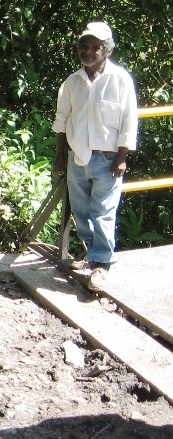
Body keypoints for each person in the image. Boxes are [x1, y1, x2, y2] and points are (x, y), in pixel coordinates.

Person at [53, 21, 139, 293]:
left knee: (103, 212)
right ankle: (90, 254)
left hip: (108, 159)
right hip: (77, 156)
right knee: (81, 211)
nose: (87, 52)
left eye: (94, 47)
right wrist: (59, 156)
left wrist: (122, 156)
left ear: (107, 50)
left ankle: (102, 264)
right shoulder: (72, 82)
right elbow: (62, 120)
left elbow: (129, 120)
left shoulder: (120, 79)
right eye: (83, 46)